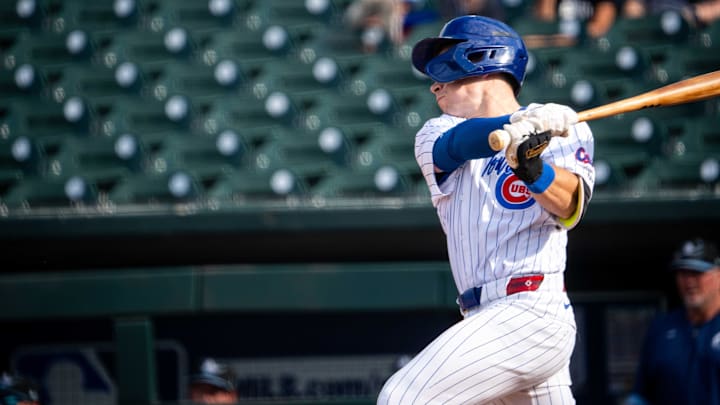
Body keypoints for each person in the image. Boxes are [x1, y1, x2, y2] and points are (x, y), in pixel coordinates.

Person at [376, 15, 595, 404]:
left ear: (481, 58)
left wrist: (532, 167)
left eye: (443, 61)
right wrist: (514, 123)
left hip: (532, 310)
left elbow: (569, 207)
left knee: (403, 397)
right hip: (482, 318)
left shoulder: (561, 126)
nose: (434, 84)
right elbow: (457, 146)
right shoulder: (435, 131)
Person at [624, 238, 720, 405]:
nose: (689, 281)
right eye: (683, 273)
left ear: (718, 275)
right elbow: (641, 394)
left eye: (697, 273)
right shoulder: (662, 328)